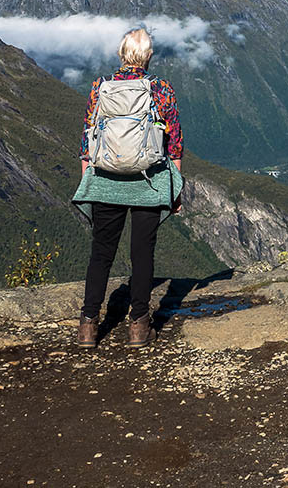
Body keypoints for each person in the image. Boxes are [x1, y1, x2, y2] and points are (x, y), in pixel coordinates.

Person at [71, 27, 184, 349]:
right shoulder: (160, 88)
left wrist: (88, 182)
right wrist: (175, 190)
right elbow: (174, 144)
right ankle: (138, 327)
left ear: (121, 54)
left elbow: (87, 140)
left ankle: (88, 327)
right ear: (148, 55)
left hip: (106, 180)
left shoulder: (100, 87)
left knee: (101, 254)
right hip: (149, 181)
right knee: (142, 254)